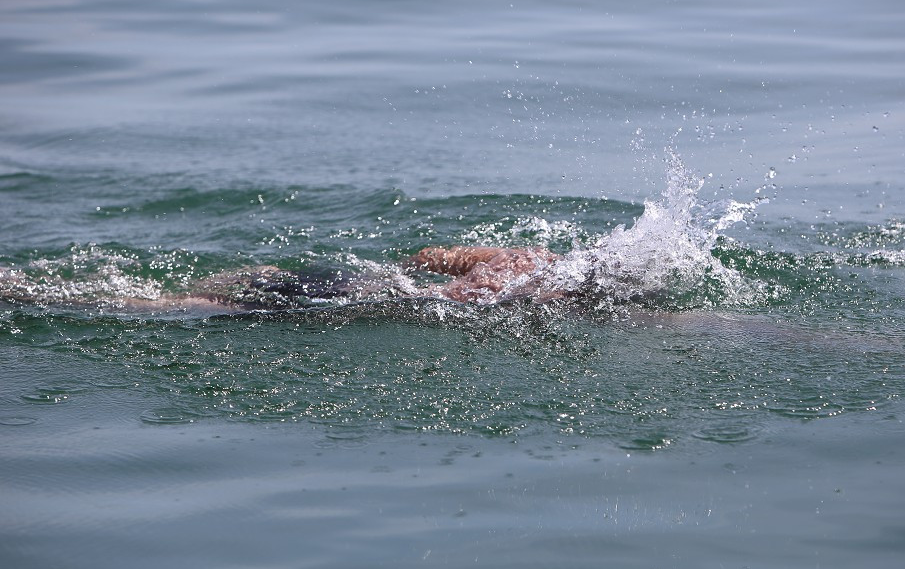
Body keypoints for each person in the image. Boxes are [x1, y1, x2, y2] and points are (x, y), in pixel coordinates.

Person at [0, 245, 563, 313]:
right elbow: (435, 273)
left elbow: (428, 255)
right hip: (326, 300)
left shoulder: (533, 261)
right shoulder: (527, 279)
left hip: (335, 280)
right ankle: (17, 291)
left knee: (173, 298)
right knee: (167, 305)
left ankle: (18, 288)